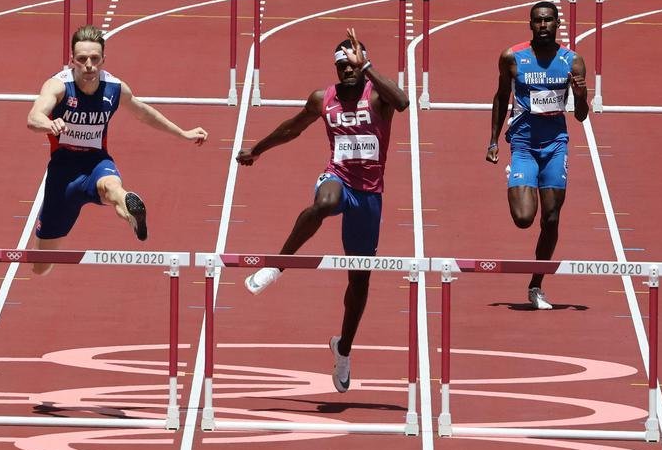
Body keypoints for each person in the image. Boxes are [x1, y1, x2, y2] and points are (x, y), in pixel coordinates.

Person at [236, 29, 408, 393]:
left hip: (369, 195)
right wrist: (257, 150)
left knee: (359, 280)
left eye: (353, 64)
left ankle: (343, 349)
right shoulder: (323, 99)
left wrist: (370, 67)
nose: (348, 69)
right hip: (337, 178)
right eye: (342, 65)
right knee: (325, 202)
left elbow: (404, 101)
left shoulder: (378, 98)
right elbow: (291, 129)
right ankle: (276, 264)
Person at [26, 25, 208, 274]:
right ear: (72, 61)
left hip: (96, 163)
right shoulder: (58, 87)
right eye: (81, 59)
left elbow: (144, 114)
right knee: (40, 266)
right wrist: (50, 122)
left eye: (94, 59)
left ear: (103, 60)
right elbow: (33, 117)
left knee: (112, 188)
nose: (88, 65)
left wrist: (182, 133)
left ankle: (132, 212)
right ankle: (126, 210)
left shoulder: (114, 88)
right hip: (63, 175)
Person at [486, 0, 589, 310]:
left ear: (557, 24)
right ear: (530, 25)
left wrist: (581, 94)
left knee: (552, 217)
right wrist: (492, 140)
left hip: (556, 143)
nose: (543, 26)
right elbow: (501, 96)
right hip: (523, 144)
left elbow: (582, 115)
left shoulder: (573, 62)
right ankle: (517, 174)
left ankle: (536, 284)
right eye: (538, 21)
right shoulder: (512, 58)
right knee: (523, 219)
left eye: (548, 21)